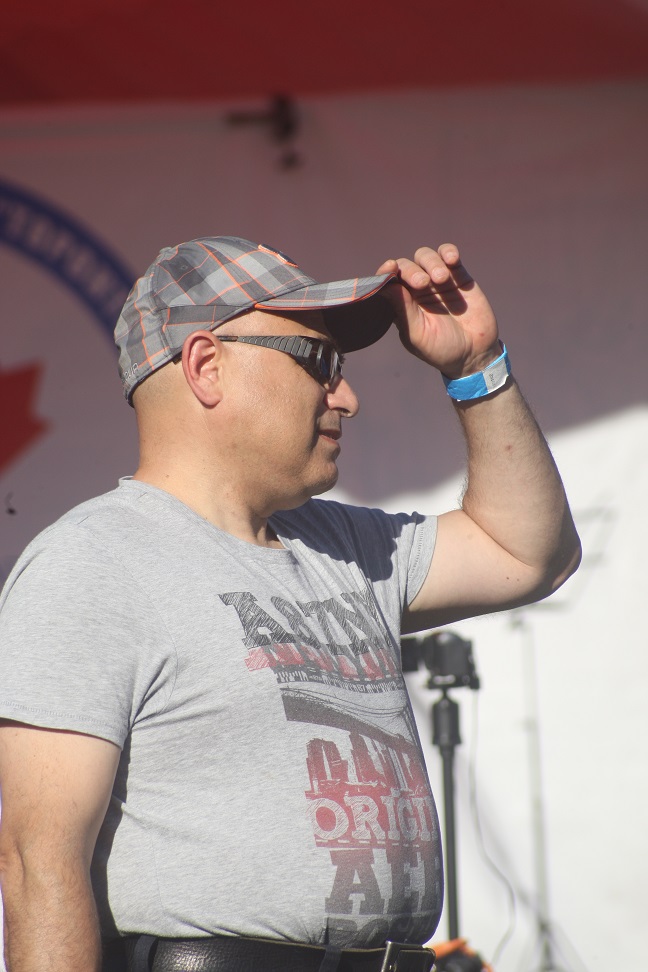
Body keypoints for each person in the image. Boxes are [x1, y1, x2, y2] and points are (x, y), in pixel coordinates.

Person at [0, 236, 581, 972]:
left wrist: (477, 368)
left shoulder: (343, 543)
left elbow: (530, 554)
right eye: (319, 362)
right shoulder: (92, 563)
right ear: (206, 366)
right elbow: (39, 864)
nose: (347, 397)